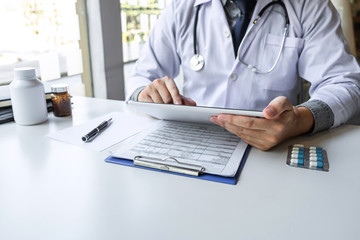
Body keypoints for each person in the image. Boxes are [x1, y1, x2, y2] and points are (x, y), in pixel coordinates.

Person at [126, 0, 360, 150]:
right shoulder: (182, 7)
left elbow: (344, 83)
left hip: (273, 150)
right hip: (194, 145)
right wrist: (146, 94)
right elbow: (140, 78)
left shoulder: (310, 5)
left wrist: (300, 120)